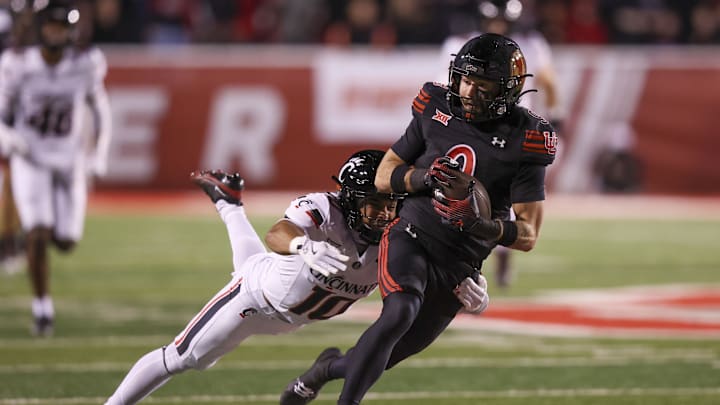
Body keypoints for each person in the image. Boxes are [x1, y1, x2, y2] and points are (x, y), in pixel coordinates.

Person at [280, 33, 556, 405]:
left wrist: (477, 223)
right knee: (400, 312)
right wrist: (425, 178)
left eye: (484, 84)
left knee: (377, 359)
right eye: (466, 79)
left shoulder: (527, 137)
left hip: (460, 263)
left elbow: (528, 234)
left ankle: (325, 369)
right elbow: (385, 173)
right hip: (411, 233)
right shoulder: (435, 106)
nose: (470, 91)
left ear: (507, 90)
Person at [105, 150, 485, 405]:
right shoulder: (325, 208)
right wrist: (304, 246)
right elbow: (278, 232)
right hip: (255, 301)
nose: (385, 216)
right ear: (351, 200)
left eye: (391, 205)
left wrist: (471, 291)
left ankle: (228, 201)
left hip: (295, 315)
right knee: (184, 358)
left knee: (250, 264)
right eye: (373, 205)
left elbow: (444, 263)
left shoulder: (403, 233)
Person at [0, 0, 112, 336]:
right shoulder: (17, 63)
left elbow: (101, 110)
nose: (54, 33)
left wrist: (99, 155)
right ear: (39, 29)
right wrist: (9, 138)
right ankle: (42, 309)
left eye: (61, 27)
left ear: (71, 31)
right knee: (37, 231)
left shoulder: (86, 63)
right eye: (50, 26)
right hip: (30, 157)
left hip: (69, 159)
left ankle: (26, 242)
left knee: (65, 240)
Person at [439, 0, 563, 288]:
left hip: (514, 131)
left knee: (507, 200)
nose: (498, 28)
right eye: (494, 23)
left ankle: (500, 253)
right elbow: (447, 88)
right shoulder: (461, 45)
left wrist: (556, 120)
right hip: (473, 129)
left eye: (503, 23)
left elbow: (549, 81)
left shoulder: (530, 45)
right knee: (463, 194)